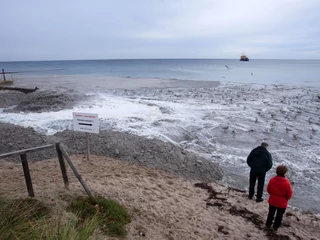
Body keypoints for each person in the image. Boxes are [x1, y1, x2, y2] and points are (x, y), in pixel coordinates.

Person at [266, 165, 293, 231]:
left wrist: (272, 194)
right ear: (285, 173)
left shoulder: (272, 180)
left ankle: (268, 224)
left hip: (272, 200)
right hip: (282, 203)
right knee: (279, 215)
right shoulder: (287, 183)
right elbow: (289, 194)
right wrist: (287, 198)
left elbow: (268, 189)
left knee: (271, 213)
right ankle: (276, 226)